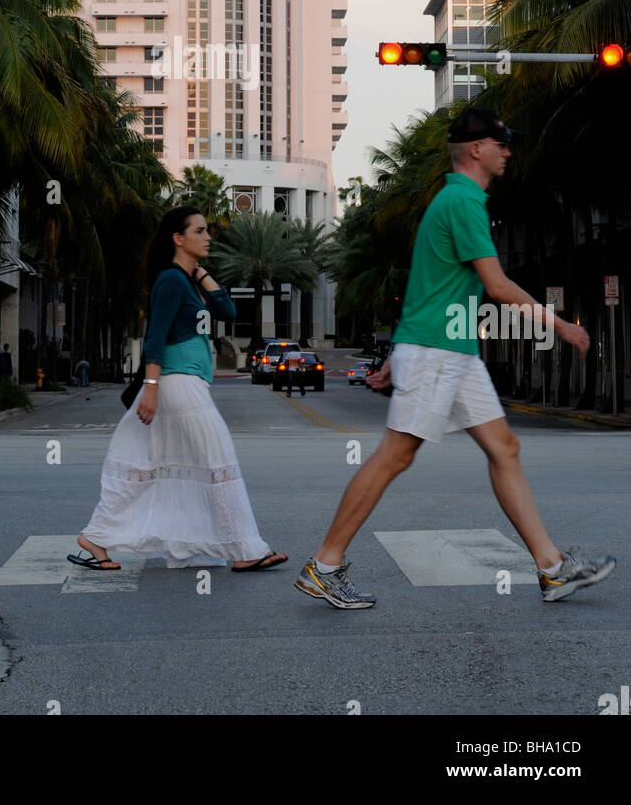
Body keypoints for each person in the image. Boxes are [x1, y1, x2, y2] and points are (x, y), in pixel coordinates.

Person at [295, 107, 617, 610]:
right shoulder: (463, 201)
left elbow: (428, 283)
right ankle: (325, 564)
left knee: (504, 448)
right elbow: (496, 284)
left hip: (452, 350)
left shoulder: (456, 199)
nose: (507, 151)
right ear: (476, 149)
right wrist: (560, 325)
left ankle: (552, 569)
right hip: (438, 351)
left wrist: (398, 352)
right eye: (501, 142)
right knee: (395, 456)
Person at [68, 204, 288, 572]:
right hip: (177, 384)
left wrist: (199, 271)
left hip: (185, 384)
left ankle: (96, 538)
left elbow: (228, 312)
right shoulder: (170, 281)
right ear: (178, 238)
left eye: (207, 231)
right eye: (199, 231)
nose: (208, 237)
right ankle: (245, 549)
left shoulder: (184, 279)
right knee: (217, 462)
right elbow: (156, 337)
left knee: (151, 465)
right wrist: (151, 387)